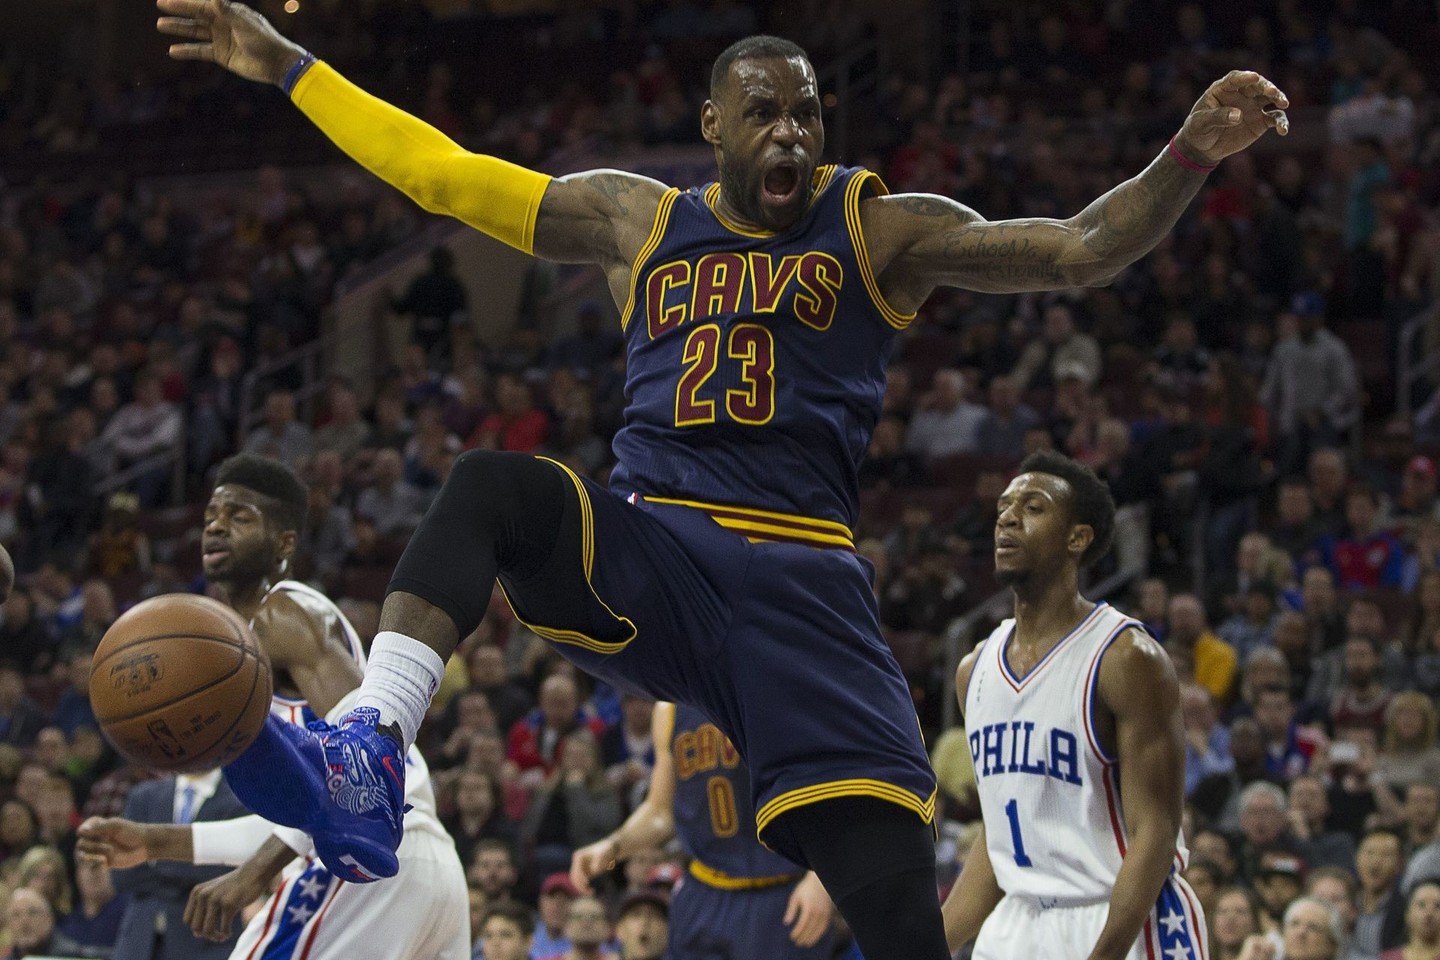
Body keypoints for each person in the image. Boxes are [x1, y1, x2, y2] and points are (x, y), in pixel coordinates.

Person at [157, 5, 1289, 953]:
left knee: (901, 916)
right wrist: (291, 65)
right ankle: (370, 747)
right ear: (713, 126)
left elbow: (1082, 248)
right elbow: (444, 177)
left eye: (807, 111)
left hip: (804, 593)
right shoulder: (636, 220)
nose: (790, 129)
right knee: (493, 488)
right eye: (764, 111)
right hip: (659, 552)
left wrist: (1187, 153)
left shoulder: (876, 229)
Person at [77, 454, 469, 960]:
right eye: (211, 516)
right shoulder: (247, 638)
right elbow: (309, 814)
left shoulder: (283, 615)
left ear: (284, 543)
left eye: (239, 517)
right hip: (419, 870)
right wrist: (156, 842)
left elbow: (376, 771)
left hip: (365, 866)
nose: (216, 527)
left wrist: (254, 875)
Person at [943, 451, 1206, 960]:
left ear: (1077, 538)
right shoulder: (974, 671)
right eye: (1004, 507)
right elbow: (999, 841)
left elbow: (1155, 831)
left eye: (1033, 507)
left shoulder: (1126, 657)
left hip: (1122, 916)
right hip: (1019, 921)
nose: (1008, 518)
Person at [571, 702, 834, 959]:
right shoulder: (669, 709)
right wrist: (614, 845)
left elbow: (831, 787)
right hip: (702, 891)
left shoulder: (777, 692)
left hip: (779, 891)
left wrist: (821, 878)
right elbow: (661, 811)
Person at [1380, 881, 1440, 960]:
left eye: (1437, 906)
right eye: (1421, 905)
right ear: (1407, 914)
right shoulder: (1388, 958)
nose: (1429, 913)